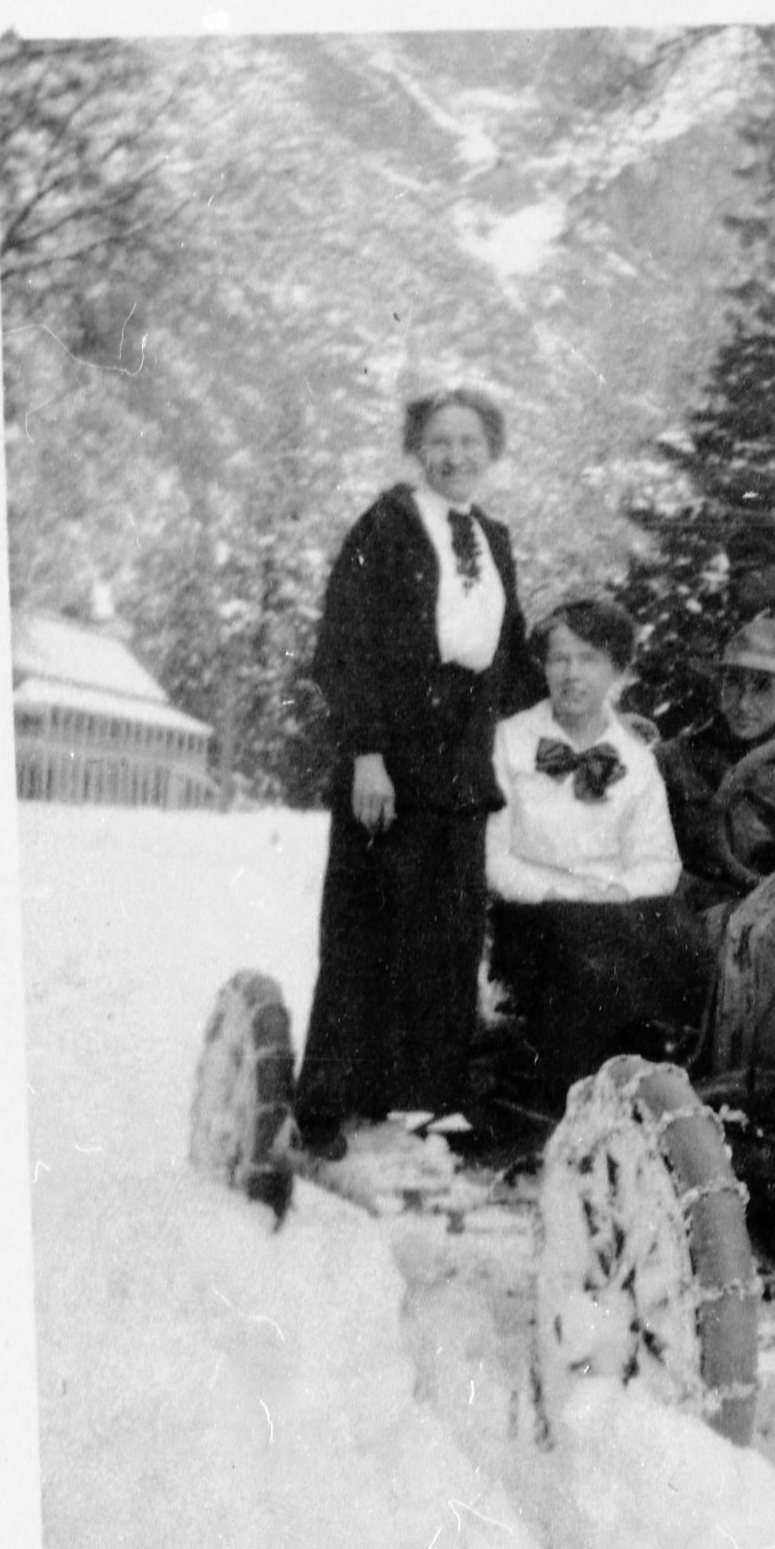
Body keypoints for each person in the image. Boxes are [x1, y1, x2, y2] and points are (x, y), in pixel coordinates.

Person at [295, 385, 527, 1153]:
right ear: (417, 450)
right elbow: (345, 646)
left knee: (446, 943)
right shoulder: (388, 526)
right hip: (389, 767)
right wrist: (366, 755)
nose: (454, 455)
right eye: (440, 441)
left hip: (461, 775)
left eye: (469, 442)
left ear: (490, 451)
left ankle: (426, 1103)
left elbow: (513, 662)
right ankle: (330, 1106)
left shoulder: (494, 538)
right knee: (366, 933)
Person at [485, 596, 710, 1094]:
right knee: (582, 953)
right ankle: (573, 1101)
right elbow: (494, 858)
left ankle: (662, 1090)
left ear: (617, 672)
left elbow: (658, 863)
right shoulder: (510, 742)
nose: (572, 674)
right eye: (559, 658)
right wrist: (562, 894)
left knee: (690, 945)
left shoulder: (634, 758)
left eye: (589, 660)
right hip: (533, 915)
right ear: (543, 666)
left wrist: (612, 893)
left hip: (617, 912)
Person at [655, 614, 775, 910]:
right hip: (690, 925)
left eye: (762, 687)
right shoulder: (671, 760)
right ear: (718, 687)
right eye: (733, 683)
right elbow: (644, 859)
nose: (744, 703)